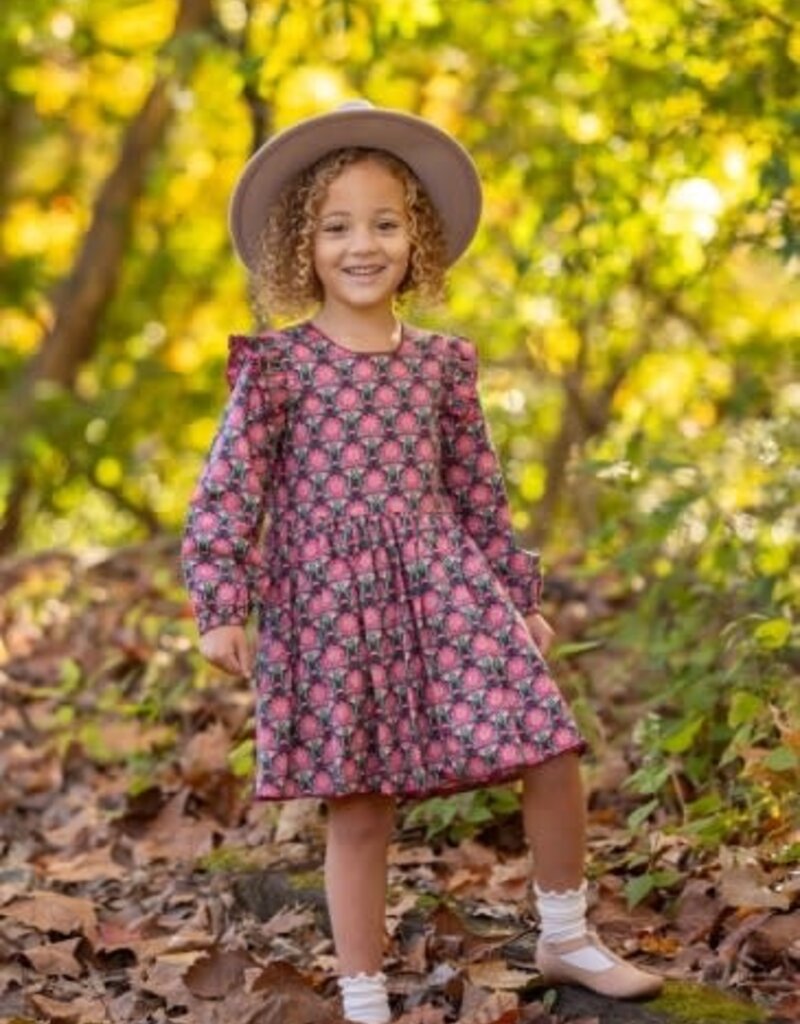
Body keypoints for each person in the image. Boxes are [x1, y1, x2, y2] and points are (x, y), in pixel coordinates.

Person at [180, 100, 663, 1023]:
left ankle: (564, 934)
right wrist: (220, 603)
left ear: (418, 237)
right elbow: (227, 491)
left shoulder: (441, 365)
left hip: (443, 579)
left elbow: (479, 487)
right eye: (337, 227)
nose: (363, 245)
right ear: (302, 245)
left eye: (385, 222)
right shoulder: (278, 368)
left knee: (549, 740)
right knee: (359, 805)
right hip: (326, 597)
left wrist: (517, 595)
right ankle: (365, 997)